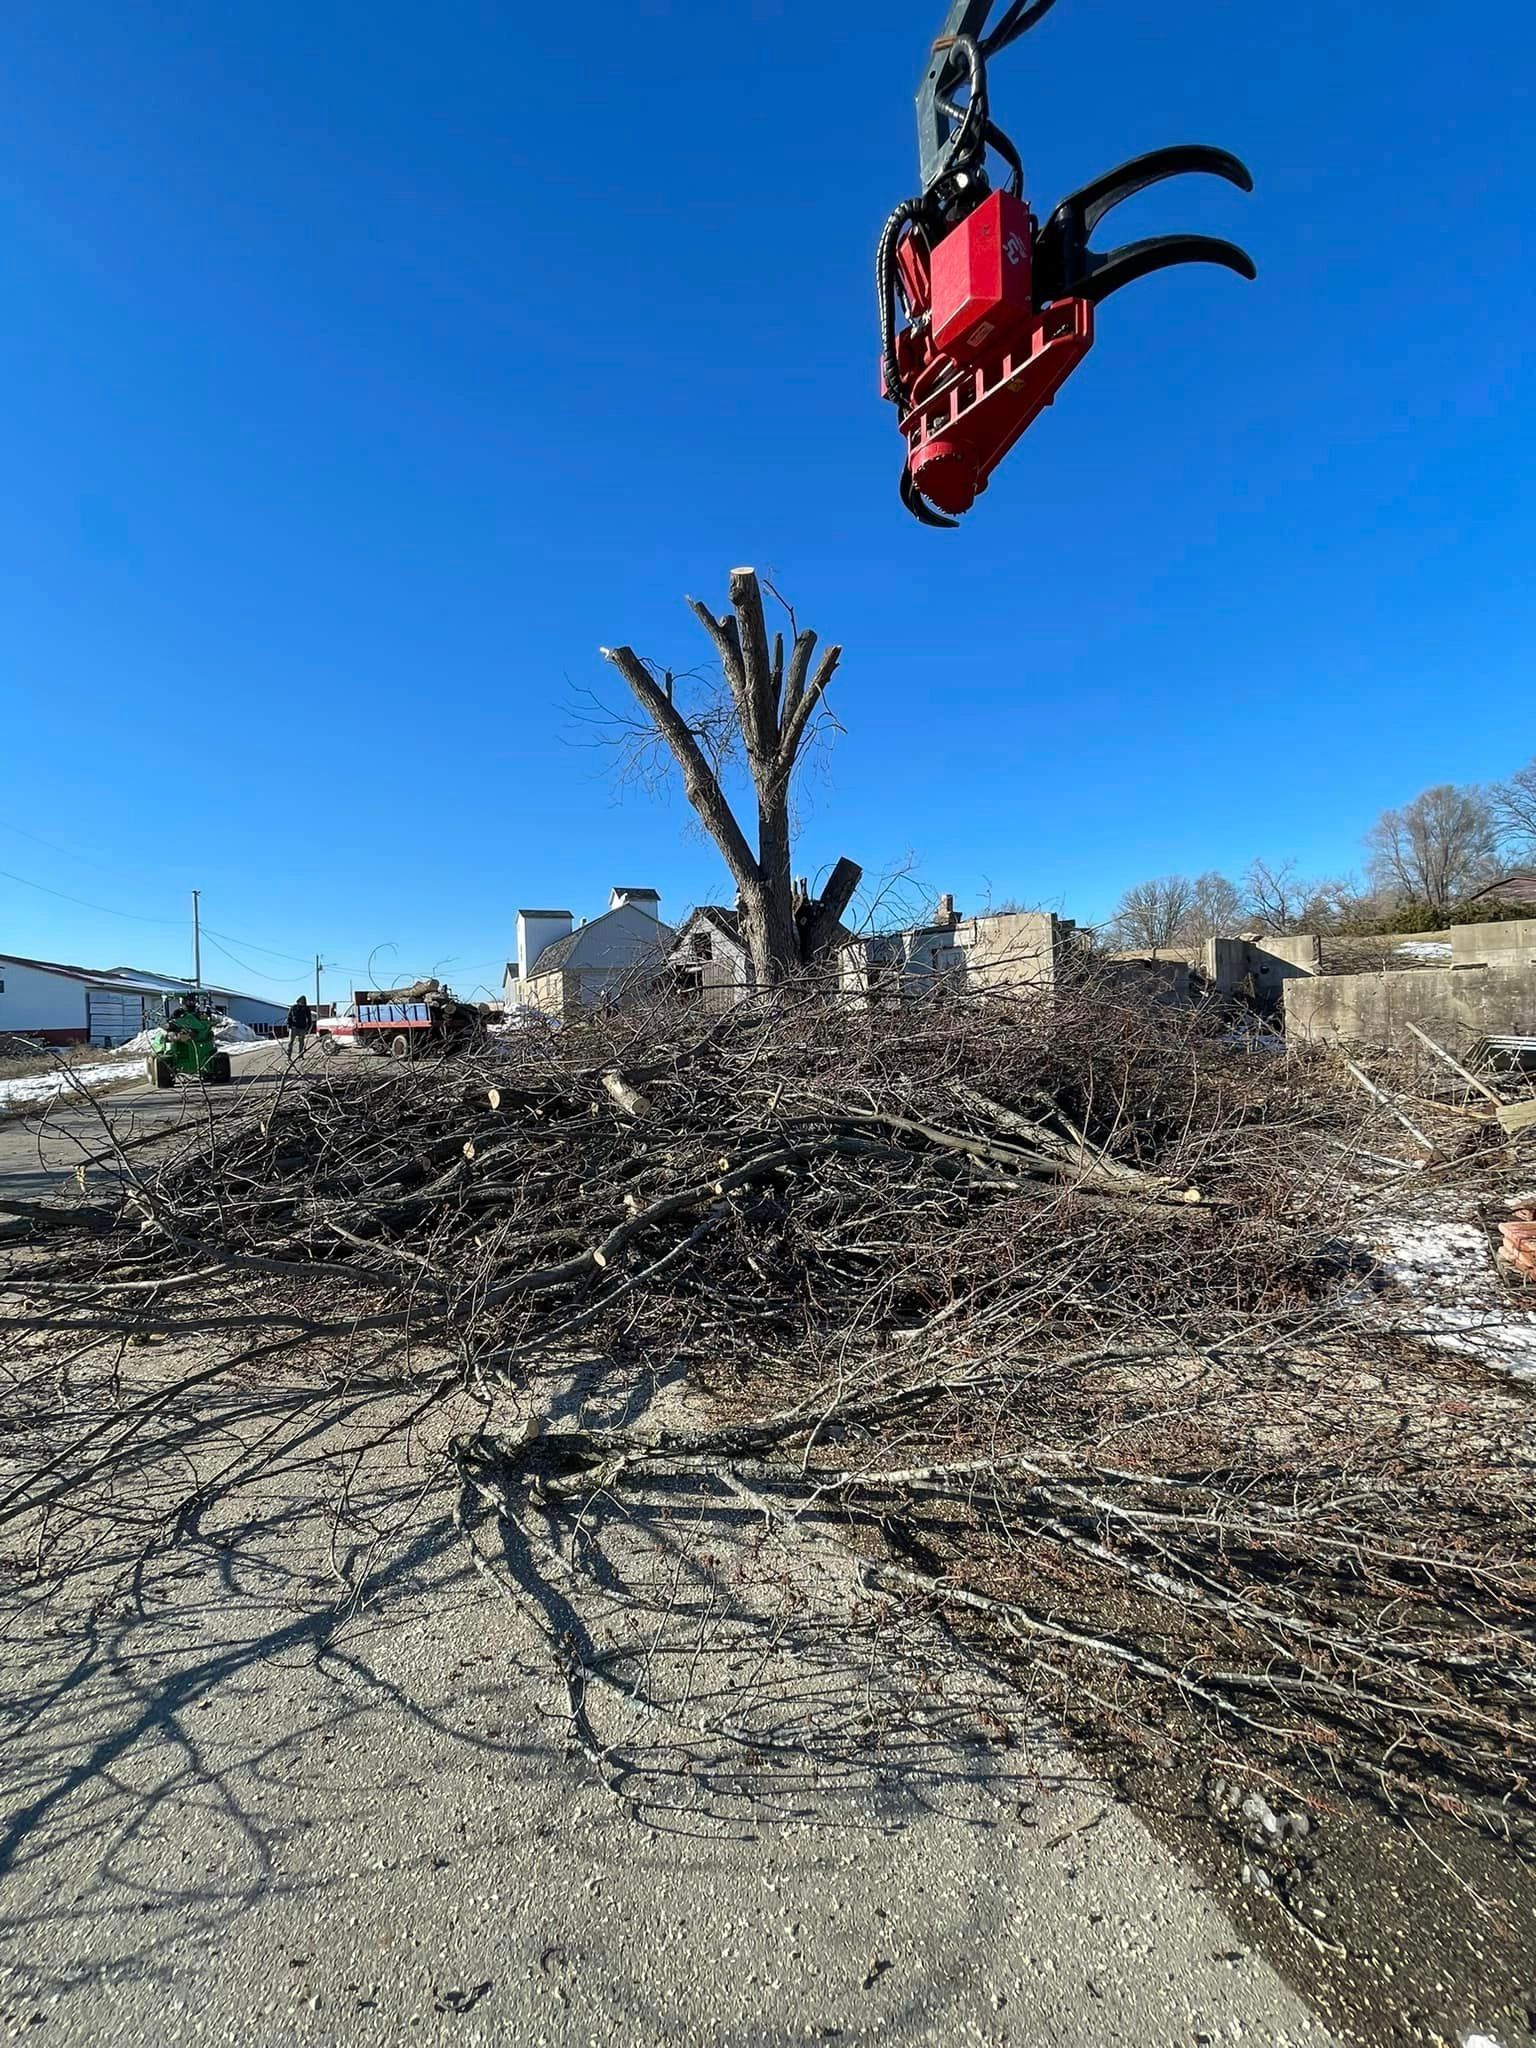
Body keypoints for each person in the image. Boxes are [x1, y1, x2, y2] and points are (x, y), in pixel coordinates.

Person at [286, 995, 313, 1061]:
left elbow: (309, 1018)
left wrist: (308, 1027)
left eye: (303, 1001)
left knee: (301, 1042)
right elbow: (289, 1017)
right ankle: (289, 1056)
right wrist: (289, 1026)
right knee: (290, 1042)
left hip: (302, 1028)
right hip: (293, 1027)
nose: (302, 1002)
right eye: (301, 1001)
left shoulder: (306, 1008)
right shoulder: (293, 1007)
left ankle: (300, 1055)